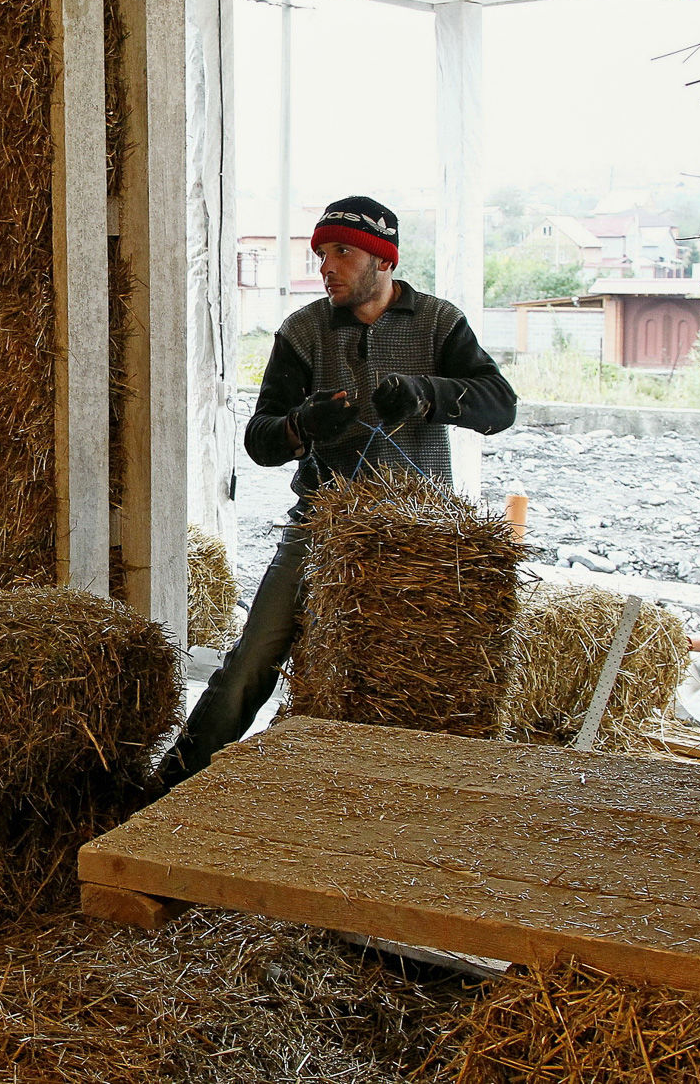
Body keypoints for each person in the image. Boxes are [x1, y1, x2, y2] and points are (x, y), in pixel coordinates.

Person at [156, 195, 517, 790]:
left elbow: (499, 405)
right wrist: (301, 426)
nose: (325, 266)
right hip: (321, 523)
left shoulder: (438, 322)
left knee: (413, 680)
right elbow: (260, 438)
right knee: (251, 661)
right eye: (321, 253)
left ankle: (406, 796)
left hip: (416, 533)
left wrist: (428, 393)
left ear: (383, 259)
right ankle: (172, 783)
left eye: (342, 252)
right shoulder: (304, 331)